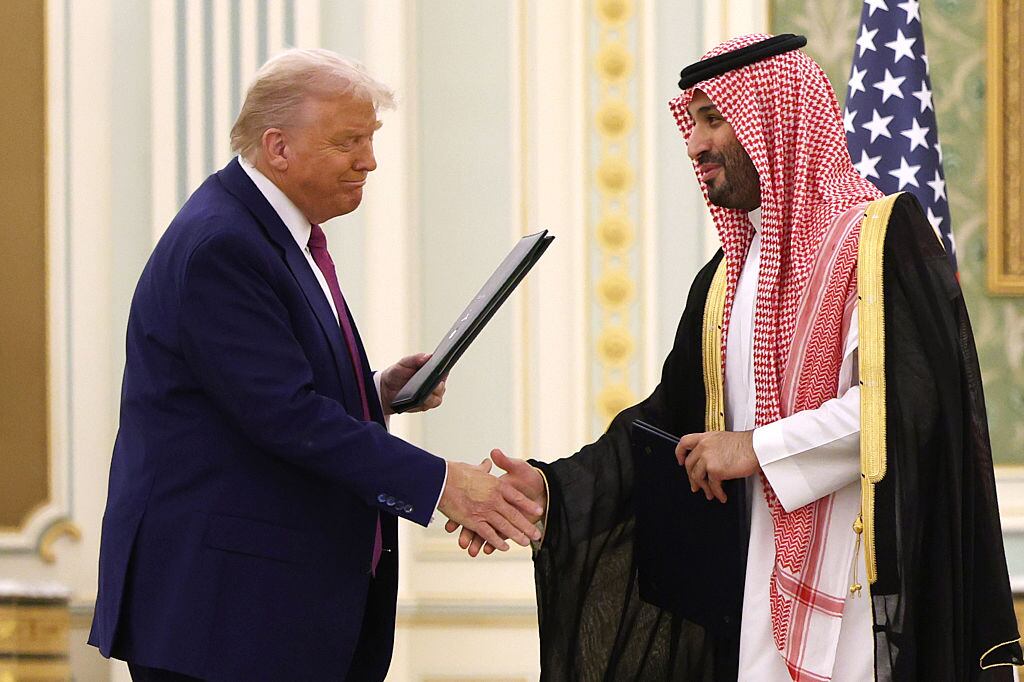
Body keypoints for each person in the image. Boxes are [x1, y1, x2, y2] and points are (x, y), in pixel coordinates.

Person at [451, 34, 1022, 680]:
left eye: (712, 118)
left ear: (775, 120)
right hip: (754, 598)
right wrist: (549, 490)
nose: (694, 145)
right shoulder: (726, 279)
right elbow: (664, 428)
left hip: (864, 598)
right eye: (692, 122)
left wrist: (755, 448)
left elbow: (902, 409)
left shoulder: (876, 243)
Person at [88, 48, 543, 682]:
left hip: (261, 610)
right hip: (224, 617)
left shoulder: (270, 233)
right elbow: (285, 416)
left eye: (371, 139)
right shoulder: (225, 244)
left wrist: (377, 390)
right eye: (349, 141)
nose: (370, 160)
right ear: (278, 147)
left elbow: (260, 392)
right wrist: (444, 484)